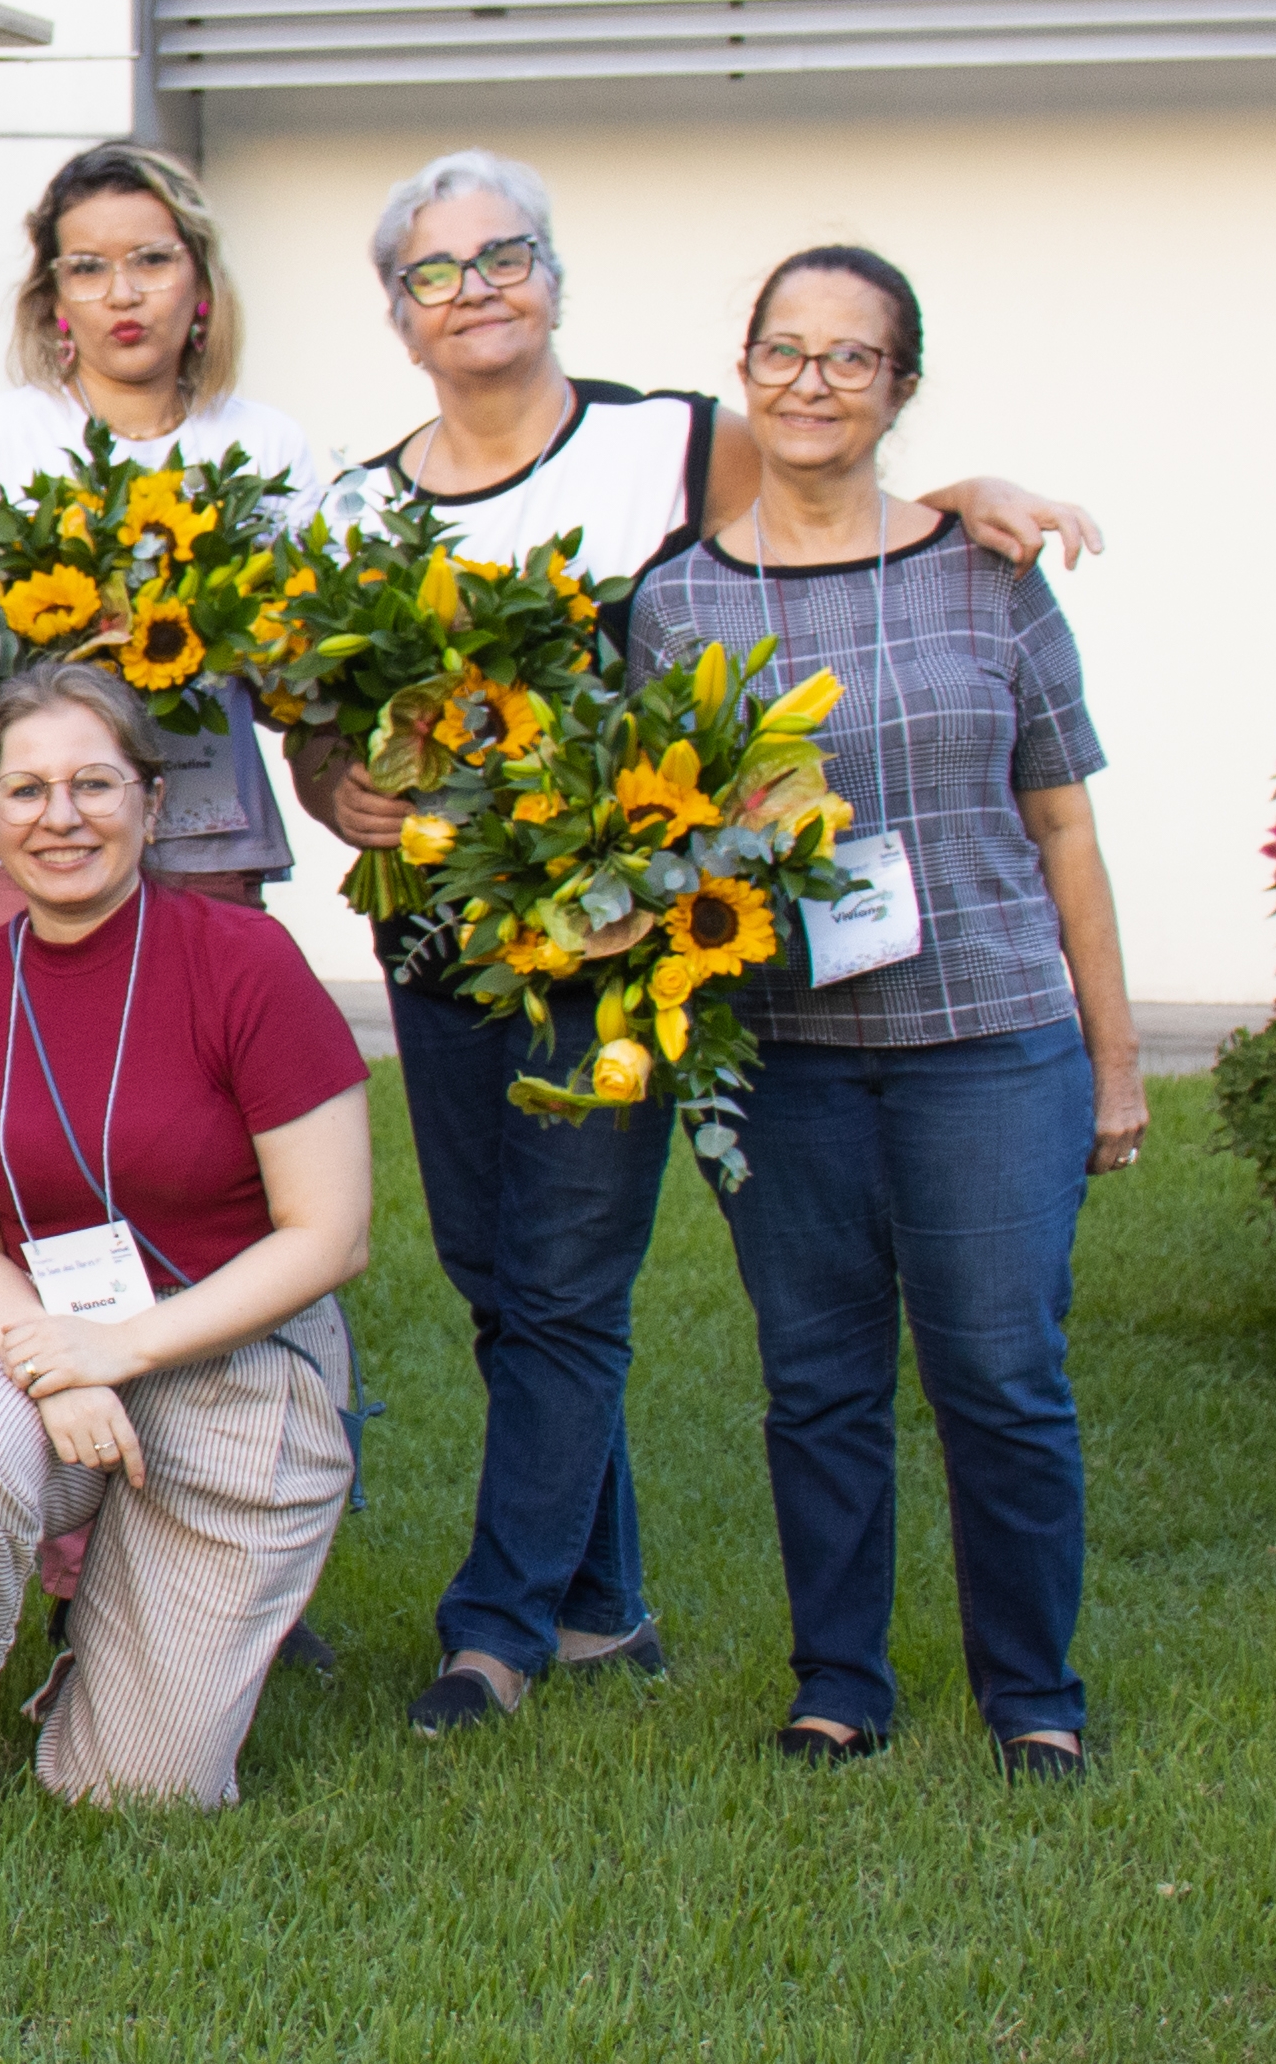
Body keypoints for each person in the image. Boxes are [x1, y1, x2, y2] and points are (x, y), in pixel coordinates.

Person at [285, 152, 1102, 1745]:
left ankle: (497, 1631)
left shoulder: (671, 441)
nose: (479, 290)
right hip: (454, 944)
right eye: (438, 272)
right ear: (398, 317)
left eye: (506, 256)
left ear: (555, 278)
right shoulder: (356, 506)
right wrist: (340, 793)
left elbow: (833, 500)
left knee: (570, 1279)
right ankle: (604, 1604)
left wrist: (970, 496)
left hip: (626, 958)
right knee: (496, 1281)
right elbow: (321, 733)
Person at [628, 246, 1139, 1780]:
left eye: (852, 359)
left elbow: (1066, 831)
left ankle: (1032, 1691)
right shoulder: (679, 600)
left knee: (999, 1373)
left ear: (900, 388)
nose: (813, 383)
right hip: (785, 1066)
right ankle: (839, 1681)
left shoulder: (990, 573)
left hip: (990, 1047)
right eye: (786, 352)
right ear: (745, 369)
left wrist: (1116, 1067)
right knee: (820, 1384)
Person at [0, 661, 378, 1827]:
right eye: (27, 789)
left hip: (232, 1341)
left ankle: (115, 1637)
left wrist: (125, 1351)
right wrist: (53, 1360)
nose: (62, 817)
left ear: (154, 804)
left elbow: (331, 1233)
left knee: (138, 1792)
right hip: (31, 1332)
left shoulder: (246, 964)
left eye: (95, 784)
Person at [0, 145, 329, 945]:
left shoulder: (265, 447)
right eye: (89, 268)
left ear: (201, 281)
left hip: (202, 837)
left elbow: (300, 684)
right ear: (54, 297)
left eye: (152, 260)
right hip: (13, 853)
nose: (123, 294)